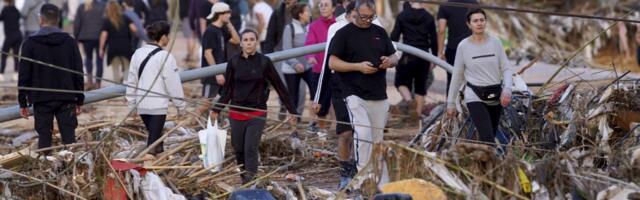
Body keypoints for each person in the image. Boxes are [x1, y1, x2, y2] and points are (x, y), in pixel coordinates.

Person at [210, 29, 297, 184]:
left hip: (256, 113)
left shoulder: (264, 62)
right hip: (236, 112)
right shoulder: (234, 62)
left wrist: (292, 111)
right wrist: (216, 109)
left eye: (252, 39)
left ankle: (251, 182)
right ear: (241, 43)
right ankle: (245, 179)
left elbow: (279, 86)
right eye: (246, 40)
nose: (249, 42)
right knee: (239, 149)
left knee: (250, 148)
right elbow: (228, 89)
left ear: (256, 42)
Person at [328, 0, 397, 185]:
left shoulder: (379, 32)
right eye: (363, 16)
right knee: (363, 134)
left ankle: (379, 181)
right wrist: (357, 67)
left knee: (377, 139)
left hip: (378, 93)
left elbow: (394, 55)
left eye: (371, 17)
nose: (367, 20)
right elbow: (332, 63)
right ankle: (362, 178)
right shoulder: (343, 34)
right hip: (353, 92)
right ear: (355, 12)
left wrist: (389, 61)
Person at [18, 3, 84, 151]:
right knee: (69, 140)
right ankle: (71, 170)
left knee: (44, 140)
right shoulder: (69, 41)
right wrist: (79, 98)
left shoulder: (30, 43)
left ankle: (46, 167)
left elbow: (24, 74)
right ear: (58, 19)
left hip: (41, 98)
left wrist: (23, 101)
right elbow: (78, 72)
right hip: (66, 97)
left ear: (41, 19)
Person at [445, 9, 513, 146]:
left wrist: (507, 88)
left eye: (482, 20)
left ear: (486, 22)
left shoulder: (496, 43)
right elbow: (457, 75)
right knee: (488, 138)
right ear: (469, 24)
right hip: (474, 94)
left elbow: (506, 68)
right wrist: (450, 102)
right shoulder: (463, 46)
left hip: (495, 93)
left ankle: (483, 165)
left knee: (490, 136)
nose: (479, 23)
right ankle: (491, 166)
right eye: (475, 21)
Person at [125, 21, 186, 159]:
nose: (169, 38)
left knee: (157, 140)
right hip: (158, 107)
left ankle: (160, 173)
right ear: (163, 36)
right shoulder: (166, 57)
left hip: (141, 106)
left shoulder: (137, 53)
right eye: (168, 35)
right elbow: (173, 84)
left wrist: (131, 104)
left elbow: (131, 81)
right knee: (152, 145)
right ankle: (147, 174)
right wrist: (180, 106)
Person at [390, 1, 437, 119]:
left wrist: (390, 53)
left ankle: (409, 100)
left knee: (400, 82)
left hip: (408, 54)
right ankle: (417, 115)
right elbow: (434, 39)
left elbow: (394, 36)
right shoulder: (429, 17)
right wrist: (434, 58)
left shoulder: (402, 15)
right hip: (424, 56)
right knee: (420, 86)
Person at [304, 0, 336, 133]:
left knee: (337, 100)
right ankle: (322, 133)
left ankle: (336, 129)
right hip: (320, 71)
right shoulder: (314, 26)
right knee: (321, 105)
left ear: (334, 8)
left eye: (326, 5)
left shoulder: (338, 25)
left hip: (337, 69)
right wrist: (310, 57)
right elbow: (309, 43)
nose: (323, 7)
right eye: (321, 5)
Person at [201, 2, 240, 100]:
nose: (230, 15)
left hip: (222, 72)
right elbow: (207, 53)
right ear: (220, 14)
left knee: (220, 102)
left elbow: (236, 40)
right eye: (228, 13)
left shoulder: (222, 30)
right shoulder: (210, 31)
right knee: (206, 102)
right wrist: (217, 73)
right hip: (211, 75)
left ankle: (210, 116)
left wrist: (230, 25)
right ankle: (196, 115)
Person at [437, 0, 477, 95]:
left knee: (452, 80)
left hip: (453, 49)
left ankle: (451, 107)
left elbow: (441, 30)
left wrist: (440, 51)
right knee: (473, 80)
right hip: (473, 48)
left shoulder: (445, 6)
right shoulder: (474, 4)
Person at [282, 3, 313, 117]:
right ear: (300, 14)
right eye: (307, 12)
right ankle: (294, 127)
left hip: (307, 67)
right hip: (291, 69)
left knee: (315, 92)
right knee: (293, 98)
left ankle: (312, 122)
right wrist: (295, 64)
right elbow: (286, 49)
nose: (309, 14)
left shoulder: (309, 27)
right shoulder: (289, 28)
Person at [99, 0, 138, 84]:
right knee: (127, 67)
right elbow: (134, 28)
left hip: (113, 47)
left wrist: (101, 49)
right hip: (125, 46)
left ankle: (117, 88)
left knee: (115, 68)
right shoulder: (125, 17)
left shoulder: (106, 20)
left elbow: (104, 35)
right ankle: (126, 86)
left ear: (108, 9)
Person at [74, 0, 106, 90]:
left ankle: (89, 82)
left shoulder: (82, 7)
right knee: (100, 60)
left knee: (88, 59)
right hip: (99, 36)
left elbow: (77, 24)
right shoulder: (102, 6)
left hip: (86, 37)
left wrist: (76, 37)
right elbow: (105, 22)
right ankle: (98, 84)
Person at [0, 0, 23, 76]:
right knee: (16, 55)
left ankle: (2, 73)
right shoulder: (16, 10)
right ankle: (16, 73)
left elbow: (1, 18)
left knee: (4, 55)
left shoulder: (5, 9)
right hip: (18, 35)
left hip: (10, 36)